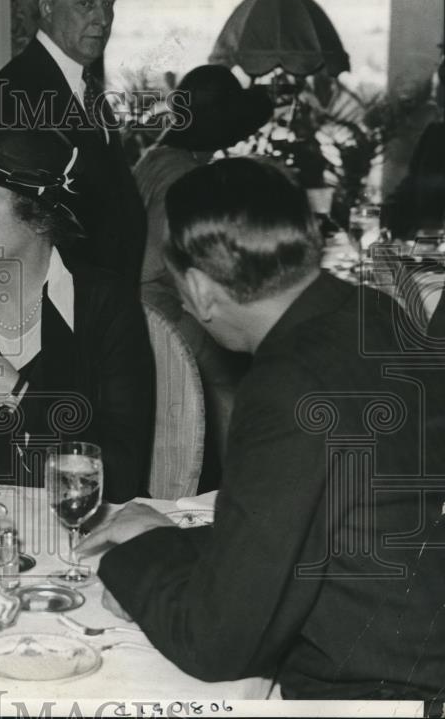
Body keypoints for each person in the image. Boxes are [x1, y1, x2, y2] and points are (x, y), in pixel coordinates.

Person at [78, 158, 445, 699]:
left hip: (381, 693)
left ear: (200, 290)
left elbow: (215, 643)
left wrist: (133, 558)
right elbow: (320, 530)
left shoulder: (288, 385)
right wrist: (171, 540)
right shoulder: (371, 311)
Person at [0, 127, 154, 502]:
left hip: (73, 532)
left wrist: (20, 397)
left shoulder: (104, 305)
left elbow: (122, 474)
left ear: (39, 217)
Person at [0, 0, 146, 285]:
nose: (103, 19)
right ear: (46, 7)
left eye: (108, 5)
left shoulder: (84, 86)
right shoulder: (13, 94)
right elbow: (1, 232)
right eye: (86, 4)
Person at [136, 64, 272, 490]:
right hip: (156, 309)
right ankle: (240, 491)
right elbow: (153, 267)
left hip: (138, 307)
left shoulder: (156, 157)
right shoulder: (185, 175)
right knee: (235, 375)